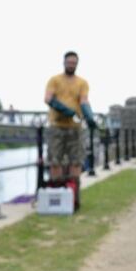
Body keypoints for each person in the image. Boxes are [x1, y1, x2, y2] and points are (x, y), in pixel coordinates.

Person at [43, 51, 97, 187]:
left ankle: (73, 192)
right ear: (64, 62)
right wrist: (63, 109)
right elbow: (48, 98)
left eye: (74, 63)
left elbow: (84, 101)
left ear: (77, 64)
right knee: (55, 160)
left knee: (76, 160)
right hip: (57, 125)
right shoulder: (54, 80)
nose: (71, 65)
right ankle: (56, 189)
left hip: (75, 127)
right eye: (69, 62)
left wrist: (89, 116)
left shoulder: (82, 83)